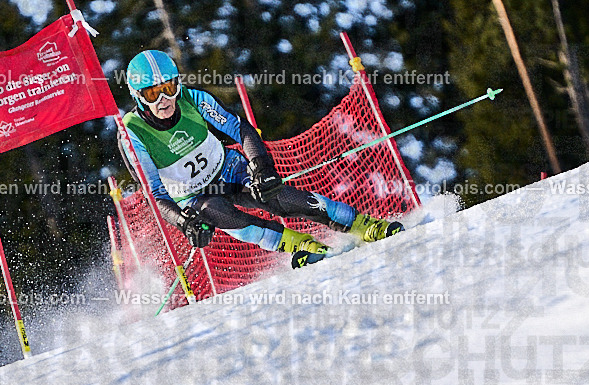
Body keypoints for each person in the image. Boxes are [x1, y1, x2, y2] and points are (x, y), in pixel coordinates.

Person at [120, 50, 403, 268]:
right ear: (138, 97)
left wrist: (261, 166)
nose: (163, 100)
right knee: (217, 212)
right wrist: (183, 222)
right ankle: (300, 245)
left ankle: (364, 224)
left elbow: (240, 128)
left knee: (278, 197)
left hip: (227, 170)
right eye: (152, 94)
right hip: (192, 196)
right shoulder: (132, 133)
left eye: (169, 88)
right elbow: (155, 193)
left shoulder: (193, 98)